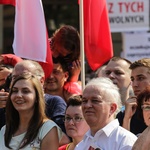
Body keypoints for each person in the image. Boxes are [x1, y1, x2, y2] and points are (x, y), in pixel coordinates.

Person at [0, 60, 67, 135]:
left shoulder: (54, 103)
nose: (19, 81)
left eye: (25, 77)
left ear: (41, 81)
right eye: (14, 78)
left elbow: (63, 138)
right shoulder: (4, 105)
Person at [0, 73, 61, 149]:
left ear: (36, 97)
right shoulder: (4, 130)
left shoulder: (47, 129)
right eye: (14, 91)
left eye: (25, 91)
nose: (18, 95)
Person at [75, 77, 137, 150]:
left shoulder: (125, 141)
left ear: (112, 108)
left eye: (95, 101)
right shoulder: (80, 146)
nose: (87, 105)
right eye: (84, 101)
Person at [117, 58, 149, 135]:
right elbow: (122, 145)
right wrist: (127, 119)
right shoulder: (124, 114)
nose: (134, 84)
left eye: (140, 78)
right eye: (132, 79)